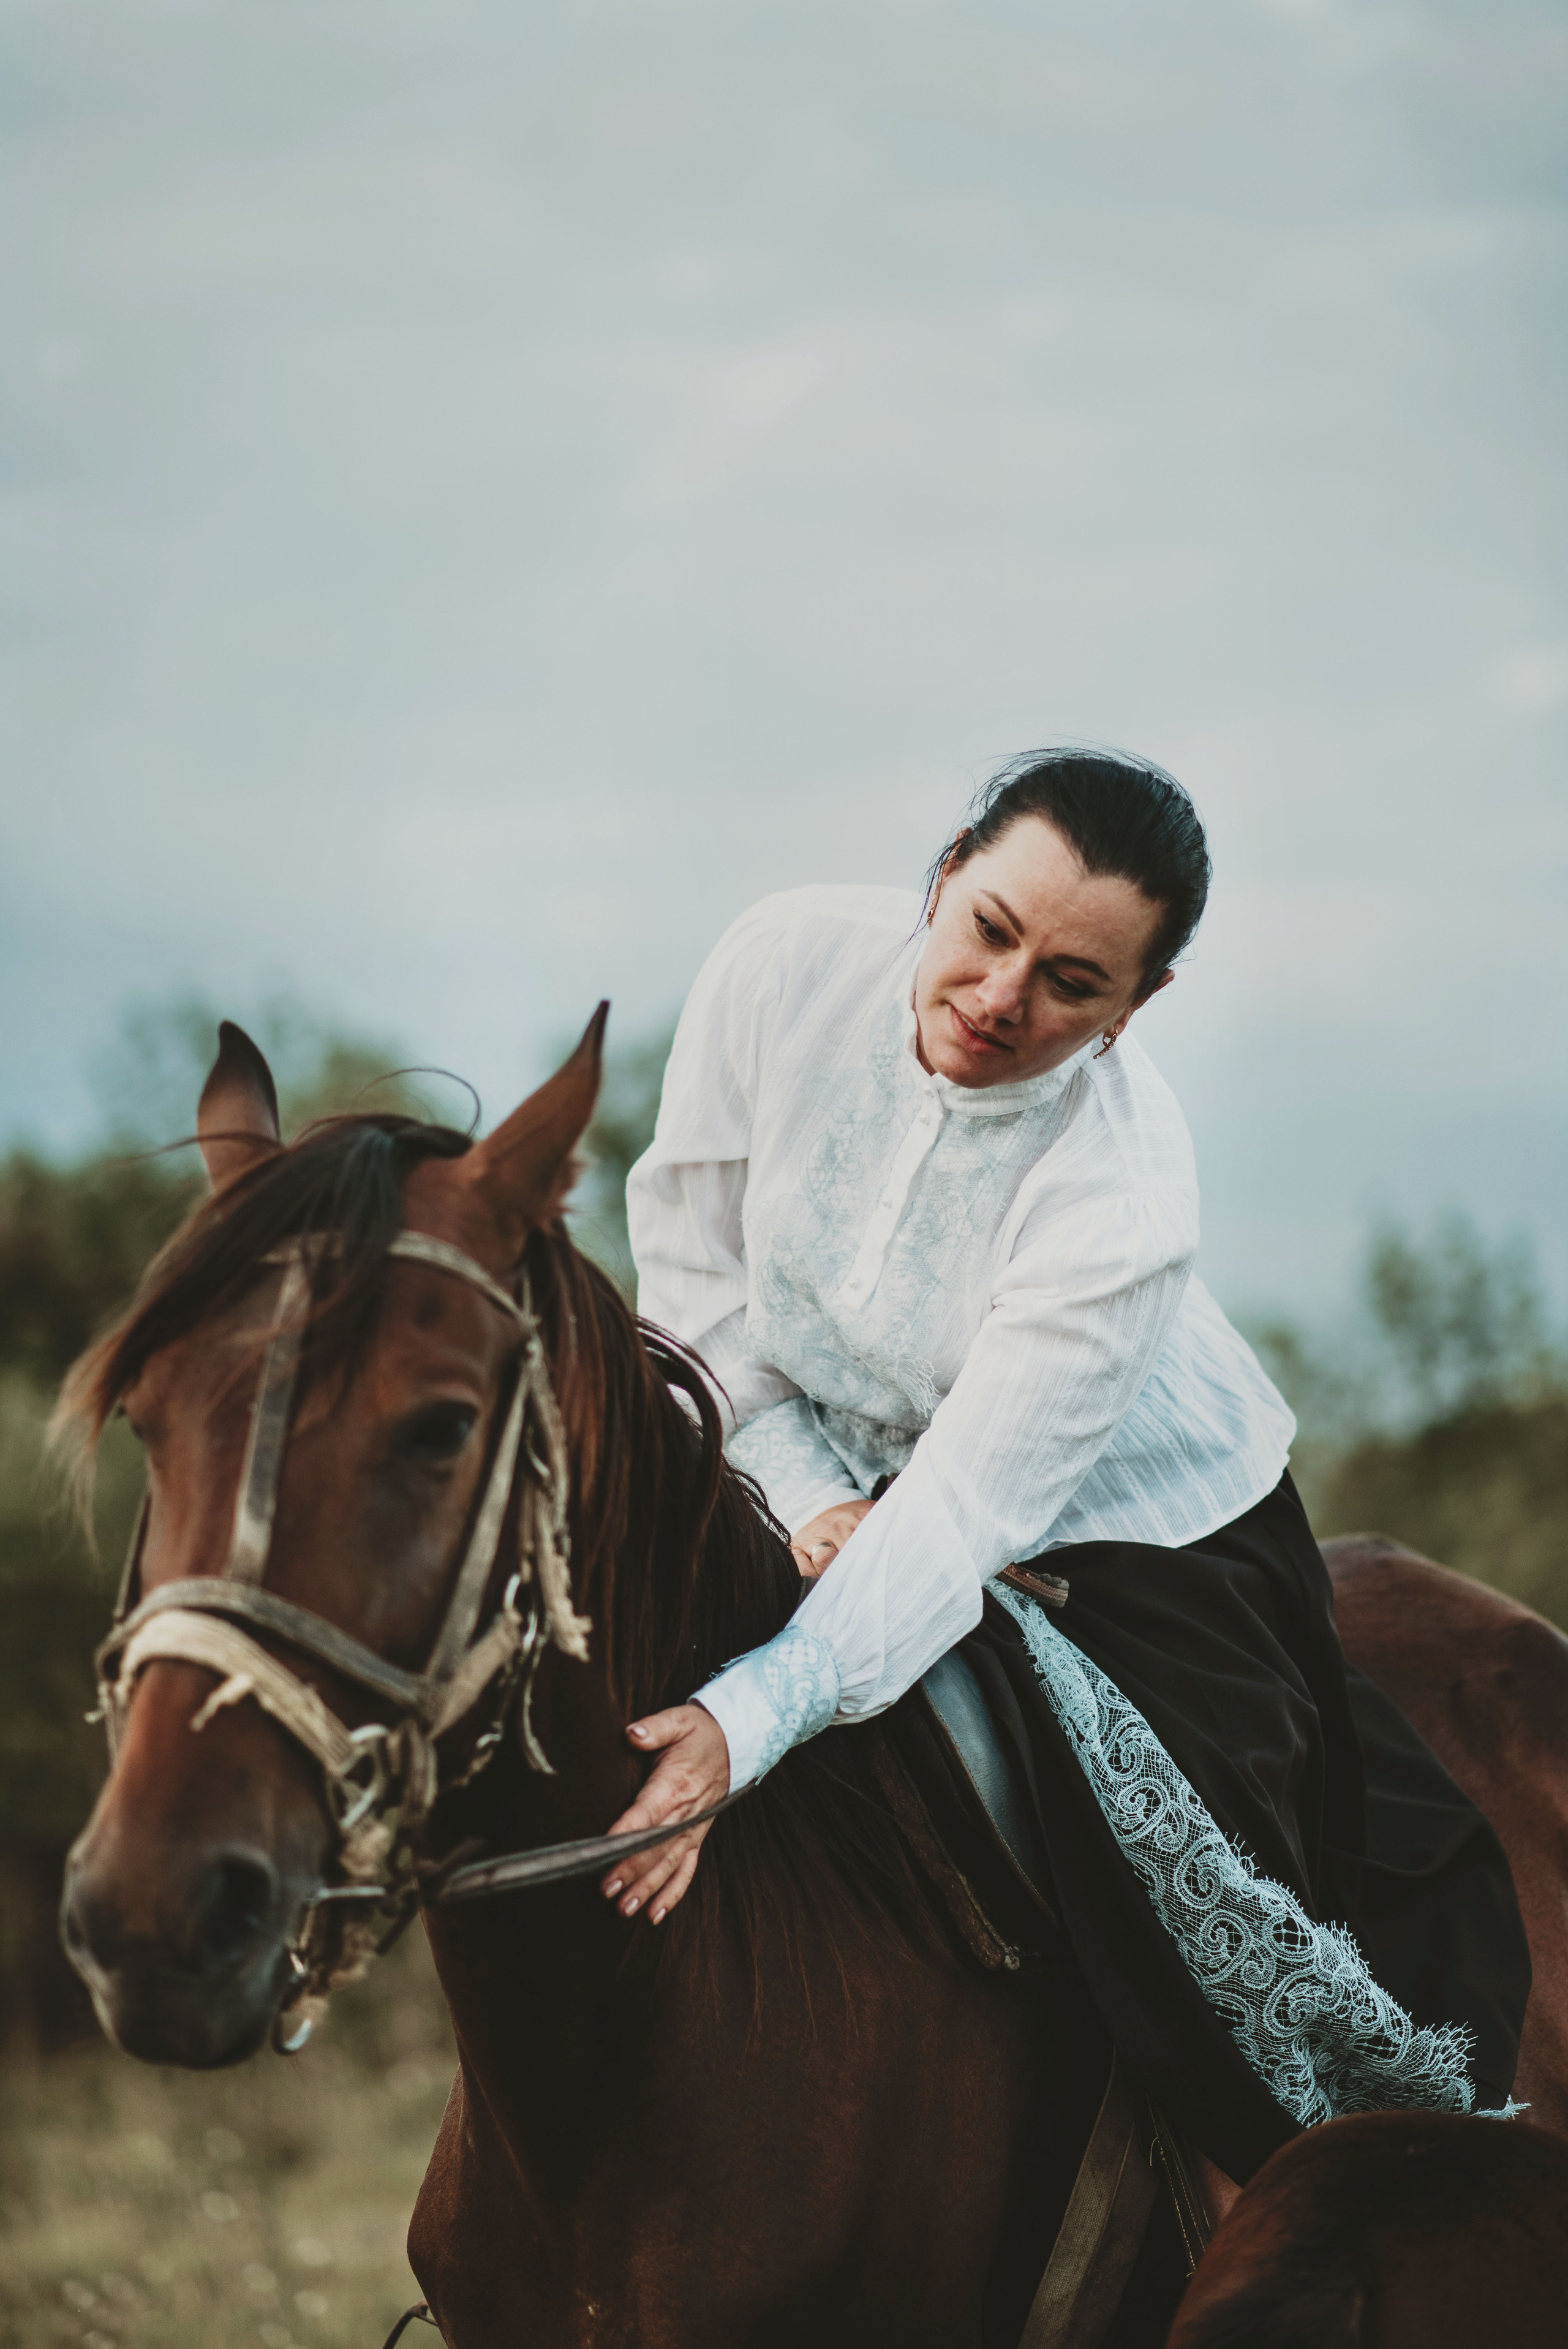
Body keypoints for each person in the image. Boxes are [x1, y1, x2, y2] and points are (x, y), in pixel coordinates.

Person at [600, 747, 1527, 2168]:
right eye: (988, 929)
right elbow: (694, 1291)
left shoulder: (1125, 1195)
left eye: (1071, 983)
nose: (999, 997)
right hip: (819, 1457)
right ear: (941, 876)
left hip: (1132, 1534)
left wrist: (746, 1719)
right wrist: (811, 1496)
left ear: (1133, 1007)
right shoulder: (778, 966)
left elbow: (964, 1513)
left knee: (1165, 1919)